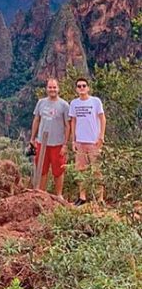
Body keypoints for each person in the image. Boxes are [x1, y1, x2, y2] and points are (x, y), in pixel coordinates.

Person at [30, 78, 70, 198]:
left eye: (54, 87)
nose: (52, 90)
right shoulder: (41, 103)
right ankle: (41, 193)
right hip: (42, 143)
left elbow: (67, 125)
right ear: (46, 89)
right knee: (41, 168)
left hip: (57, 143)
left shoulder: (64, 105)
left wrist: (65, 144)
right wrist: (32, 138)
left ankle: (59, 195)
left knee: (58, 170)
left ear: (58, 89)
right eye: (50, 87)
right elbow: (36, 120)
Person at [69, 77, 106, 205]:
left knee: (96, 170)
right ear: (76, 89)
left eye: (84, 86)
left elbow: (102, 119)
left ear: (88, 87)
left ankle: (100, 198)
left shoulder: (95, 101)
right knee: (81, 170)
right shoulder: (74, 103)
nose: (82, 88)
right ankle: (82, 197)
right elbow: (73, 121)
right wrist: (73, 140)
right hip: (80, 142)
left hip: (93, 142)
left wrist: (101, 136)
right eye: (79, 86)